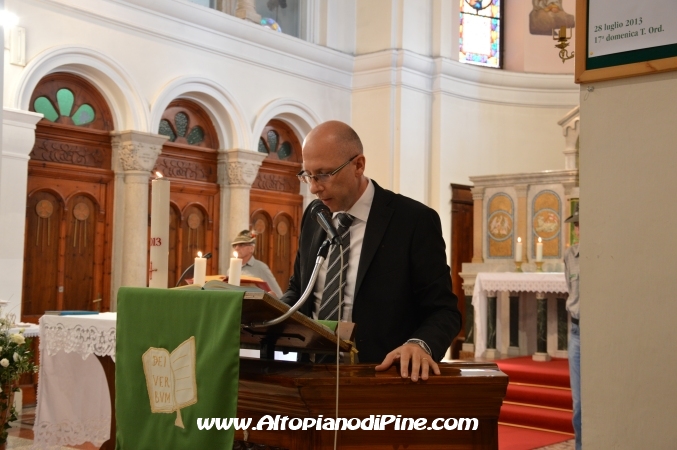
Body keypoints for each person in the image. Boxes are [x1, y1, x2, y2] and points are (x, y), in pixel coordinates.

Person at [279, 120, 461, 381]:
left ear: (359, 165)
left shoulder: (412, 221)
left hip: (379, 379)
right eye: (307, 175)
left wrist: (419, 344)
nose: (314, 187)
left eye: (323, 174)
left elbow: (444, 311)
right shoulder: (314, 215)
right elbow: (298, 290)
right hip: (311, 376)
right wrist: (269, 318)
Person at [564, 204, 580, 450]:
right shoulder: (569, 255)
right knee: (579, 403)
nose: (577, 228)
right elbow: (570, 288)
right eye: (576, 224)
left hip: (600, 332)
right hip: (577, 330)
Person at [232, 230, 284, 298]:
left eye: (241, 245)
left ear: (251, 248)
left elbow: (277, 294)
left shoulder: (261, 268)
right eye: (235, 245)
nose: (236, 248)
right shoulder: (232, 268)